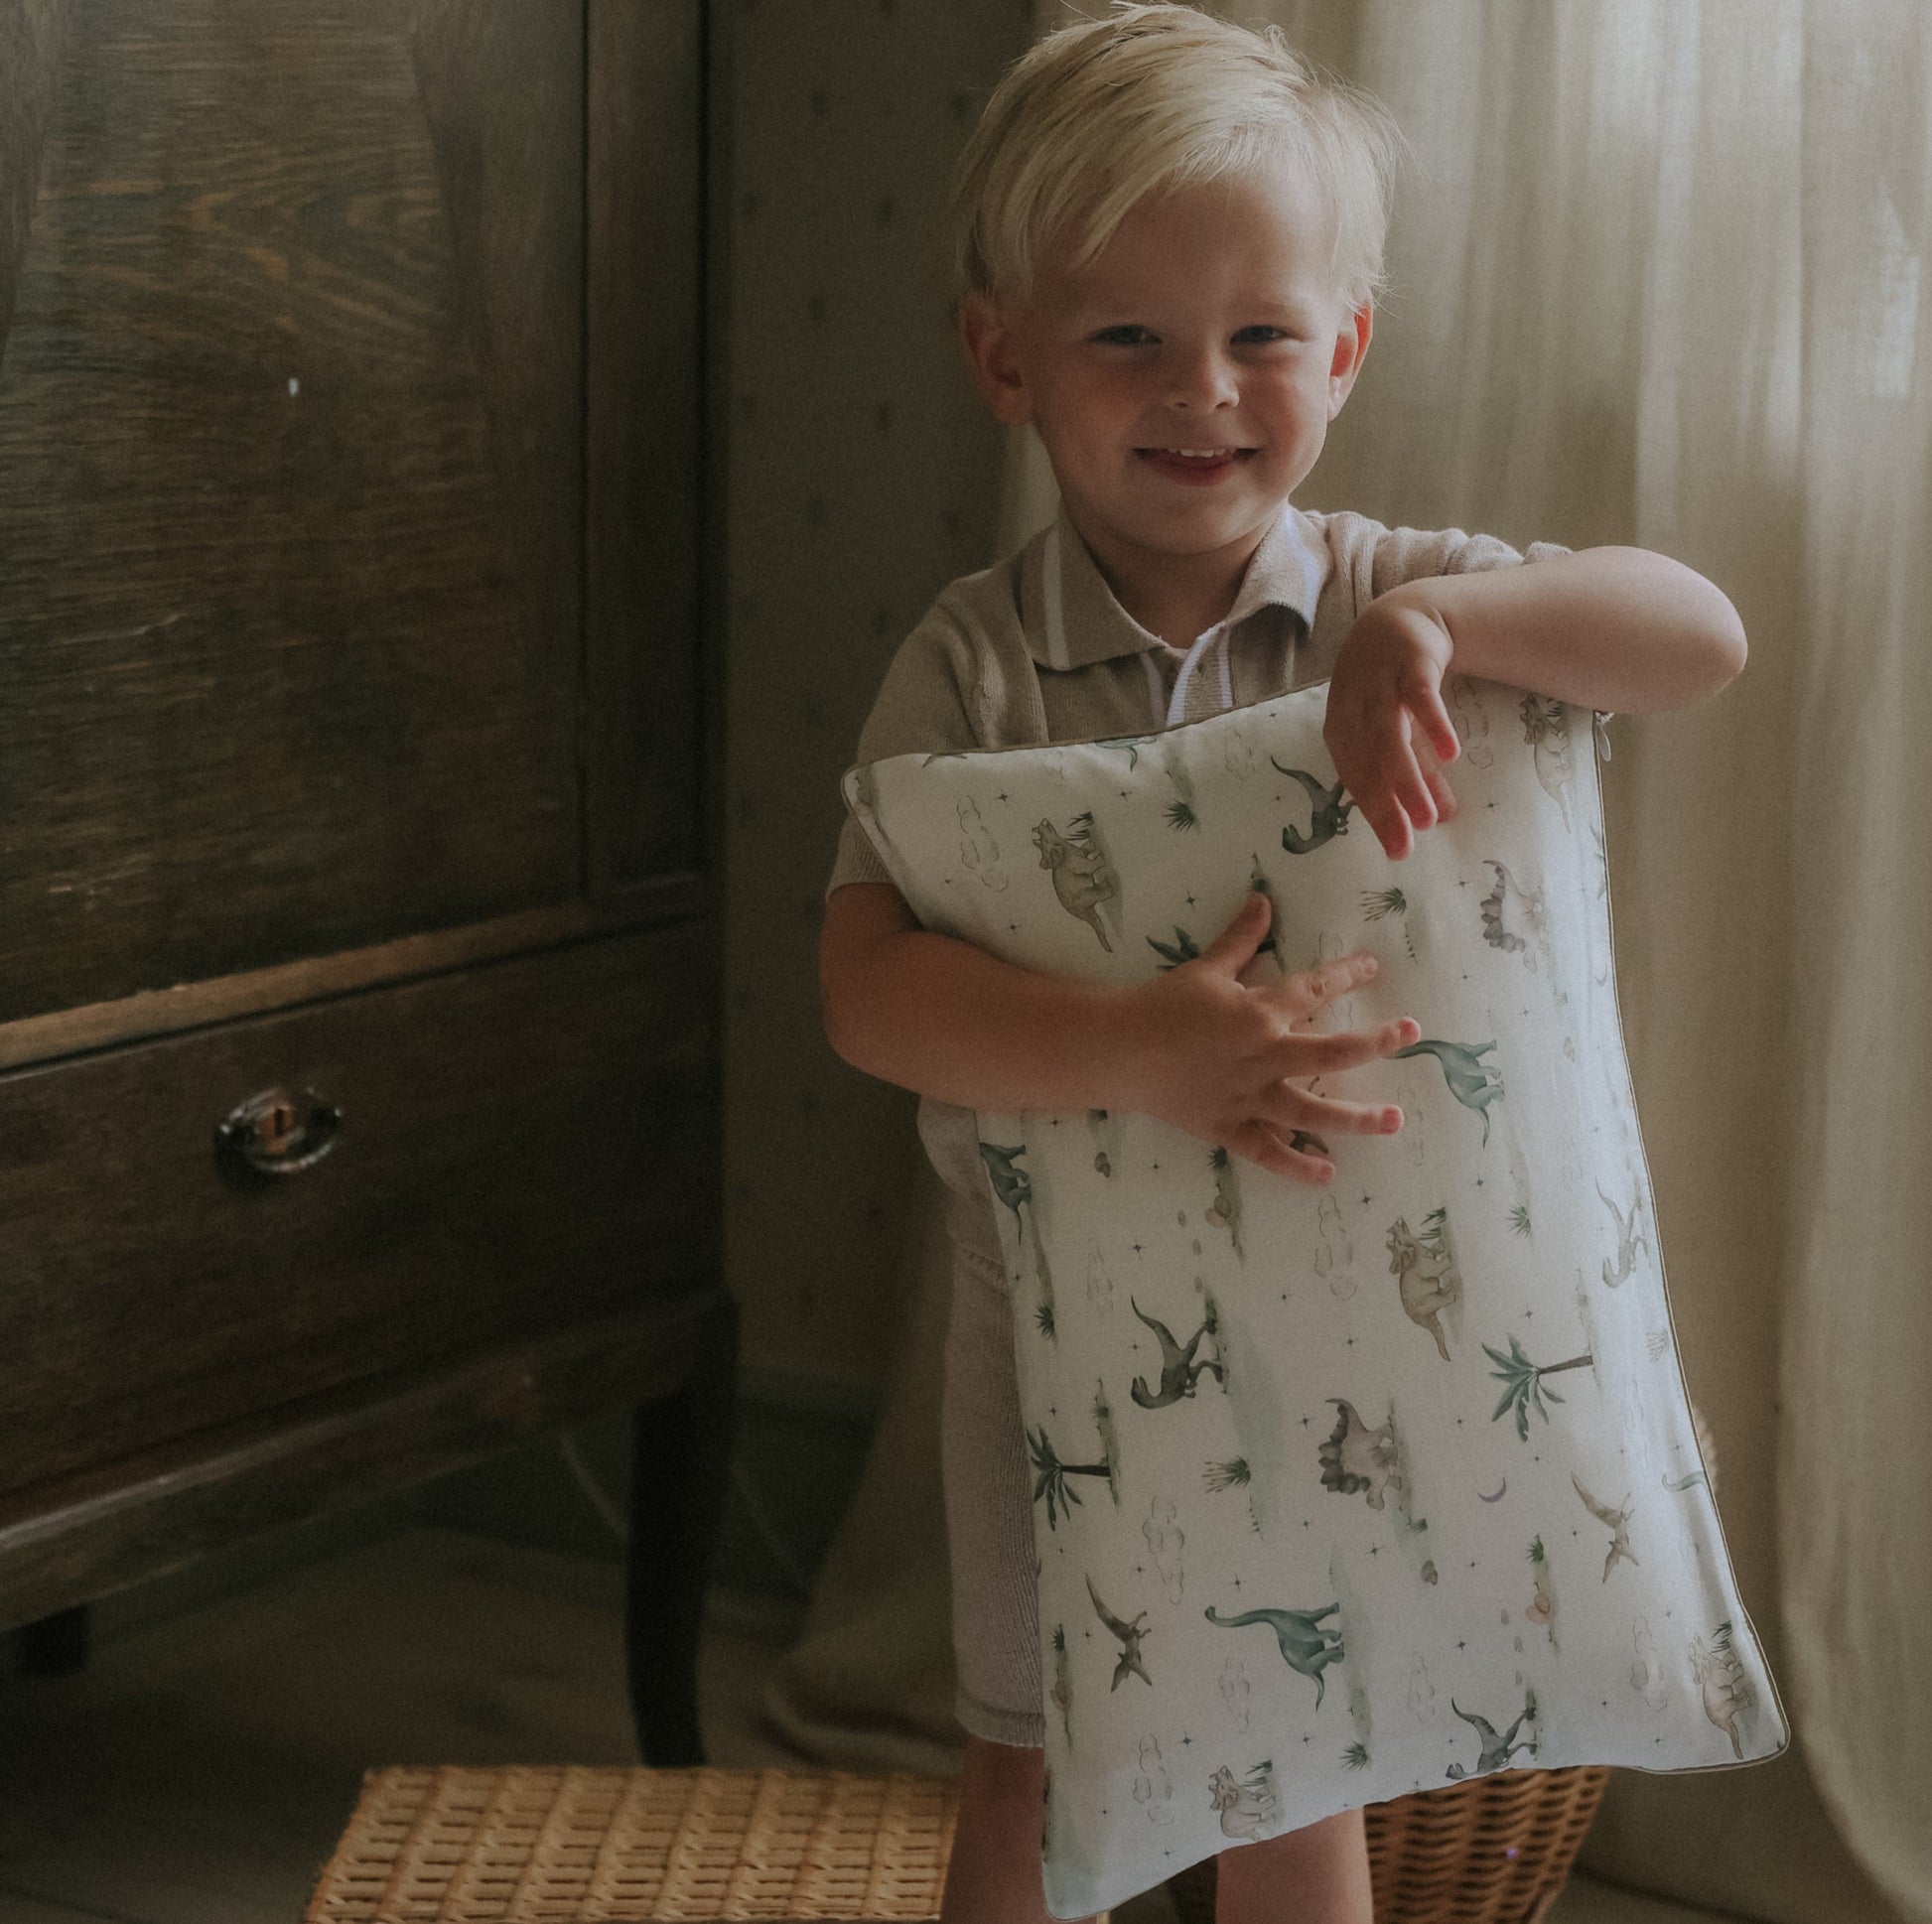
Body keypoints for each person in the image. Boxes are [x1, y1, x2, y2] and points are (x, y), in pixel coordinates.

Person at [817, 8, 1746, 1919]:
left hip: (1340, 1301)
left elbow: (1696, 635)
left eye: (1260, 333)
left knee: (1287, 1746)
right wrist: (1126, 1048)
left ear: (1347, 346)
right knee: (1027, 1743)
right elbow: (868, 987)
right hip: (1051, 1331)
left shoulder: (1390, 584)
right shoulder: (974, 662)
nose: (1203, 390)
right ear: (1005, 357)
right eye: (1127, 337)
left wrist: (1444, 631)